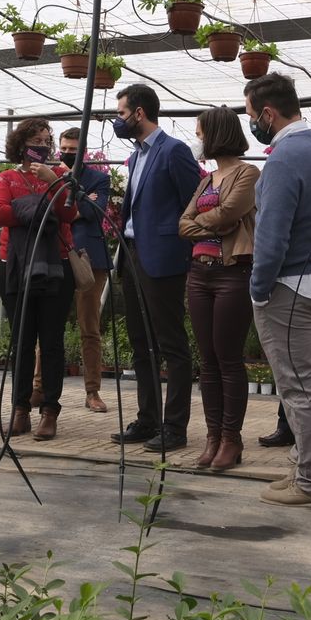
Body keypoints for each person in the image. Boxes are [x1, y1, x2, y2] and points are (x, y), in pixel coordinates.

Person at [245, 73, 311, 509]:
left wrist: (258, 289)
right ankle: (305, 469)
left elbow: (272, 236)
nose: (252, 123)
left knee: (301, 389)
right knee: (310, 384)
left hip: (291, 287)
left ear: (268, 113)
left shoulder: (284, 158)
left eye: (251, 115)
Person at [110, 84, 203, 453]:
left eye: (120, 113)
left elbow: (193, 204)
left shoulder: (173, 151)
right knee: (139, 341)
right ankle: (148, 418)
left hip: (163, 258)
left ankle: (175, 426)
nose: (118, 120)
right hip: (132, 254)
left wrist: (182, 250)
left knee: (171, 343)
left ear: (139, 113)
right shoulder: (136, 157)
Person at [177, 106, 259, 472]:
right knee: (207, 361)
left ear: (217, 134)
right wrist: (213, 226)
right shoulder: (206, 179)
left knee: (228, 358)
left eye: (201, 133)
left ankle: (231, 439)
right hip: (199, 273)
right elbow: (183, 224)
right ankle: (212, 437)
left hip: (231, 273)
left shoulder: (248, 172)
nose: (198, 140)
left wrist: (207, 223)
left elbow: (229, 213)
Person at [0, 118, 77, 441]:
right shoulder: (7, 177)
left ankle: (50, 411)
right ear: (21, 145)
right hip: (16, 266)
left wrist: (53, 181)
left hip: (57, 265)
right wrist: (42, 210)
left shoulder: (60, 177)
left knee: (52, 341)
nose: (41, 147)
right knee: (22, 339)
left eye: (45, 142)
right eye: (35, 141)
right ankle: (20, 409)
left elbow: (69, 214)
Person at [58, 128, 113, 414]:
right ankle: (39, 388)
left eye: (74, 149)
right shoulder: (51, 175)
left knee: (89, 327)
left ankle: (93, 392)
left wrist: (78, 207)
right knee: (49, 325)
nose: (68, 153)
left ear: (84, 151)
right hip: (56, 256)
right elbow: (53, 212)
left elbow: (94, 212)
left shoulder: (100, 179)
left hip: (91, 259)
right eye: (64, 148)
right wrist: (83, 203)